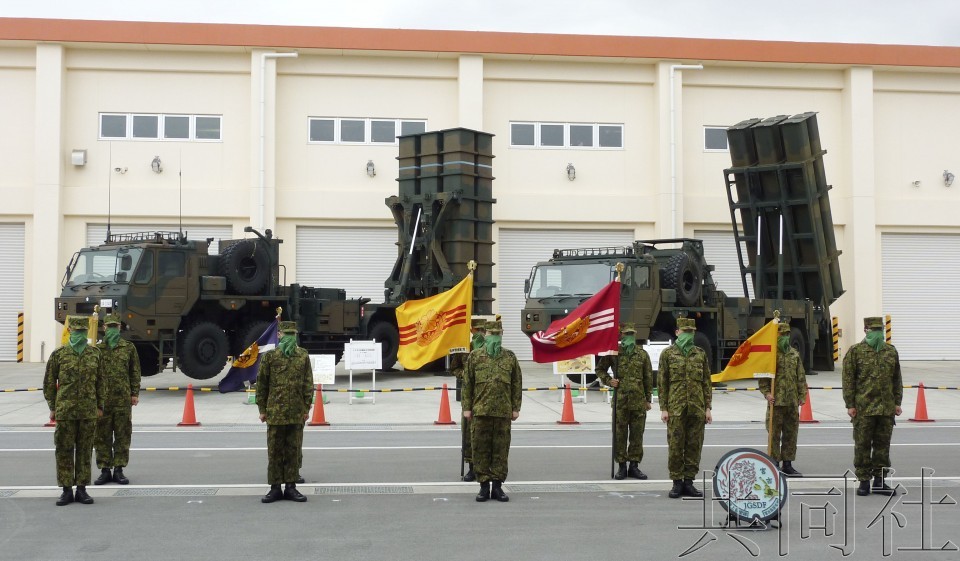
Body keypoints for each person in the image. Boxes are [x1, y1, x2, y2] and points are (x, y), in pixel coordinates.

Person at [43, 316, 104, 506]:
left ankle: (82, 489)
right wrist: (53, 407)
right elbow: (49, 383)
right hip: (65, 411)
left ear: (87, 332)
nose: (79, 334)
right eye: (76, 331)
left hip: (88, 411)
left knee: (85, 451)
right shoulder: (59, 354)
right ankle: (66, 490)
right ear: (69, 331)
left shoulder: (94, 354)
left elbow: (101, 382)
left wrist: (100, 406)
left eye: (82, 331)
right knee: (64, 450)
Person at [462, 320, 522, 503]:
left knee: (500, 451)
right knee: (480, 449)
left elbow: (517, 383)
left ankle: (497, 486)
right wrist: (466, 408)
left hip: (503, 412)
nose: (494, 337)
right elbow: (467, 383)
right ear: (485, 335)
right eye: (491, 334)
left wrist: (515, 407)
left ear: (502, 335)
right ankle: (483, 486)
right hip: (481, 411)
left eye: (498, 334)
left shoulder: (509, 357)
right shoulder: (474, 357)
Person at [842, 316, 903, 496]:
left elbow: (897, 379)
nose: (877, 333)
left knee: (882, 447)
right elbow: (848, 381)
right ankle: (864, 481)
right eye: (873, 330)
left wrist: (897, 402)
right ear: (866, 330)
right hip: (864, 409)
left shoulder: (890, 352)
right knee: (862, 446)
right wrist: (850, 404)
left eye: (879, 330)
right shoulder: (855, 352)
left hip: (885, 408)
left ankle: (879, 481)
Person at [257, 321, 314, 503]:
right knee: (275, 451)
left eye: (291, 334)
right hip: (275, 413)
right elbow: (262, 384)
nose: (288, 337)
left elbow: (308, 384)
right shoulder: (270, 357)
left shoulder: (302, 356)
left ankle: (291, 487)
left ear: (294, 336)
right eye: (286, 334)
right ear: (279, 335)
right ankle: (275, 488)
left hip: (296, 412)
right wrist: (262, 409)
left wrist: (306, 408)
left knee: (293, 451)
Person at [658, 317, 712, 499]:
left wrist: (708, 408)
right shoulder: (668, 354)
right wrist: (664, 408)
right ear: (677, 332)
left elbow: (706, 382)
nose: (688, 335)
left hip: (697, 408)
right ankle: (676, 482)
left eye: (691, 332)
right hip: (675, 408)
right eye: (685, 331)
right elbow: (662, 383)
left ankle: (689, 482)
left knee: (694, 446)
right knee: (675, 446)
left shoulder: (700, 354)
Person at [595, 323, 653, 480]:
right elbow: (599, 369)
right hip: (620, 402)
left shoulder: (642, 354)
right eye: (626, 334)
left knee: (637, 435)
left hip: (638, 402)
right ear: (621, 335)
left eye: (631, 334)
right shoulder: (614, 353)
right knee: (619, 435)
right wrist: (609, 380)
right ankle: (621, 466)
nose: (629, 337)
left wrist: (648, 399)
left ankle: (634, 466)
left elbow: (648, 377)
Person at [94, 314, 141, 486]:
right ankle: (105, 470)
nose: (112, 329)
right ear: (104, 328)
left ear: (120, 327)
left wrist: (134, 393)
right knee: (102, 436)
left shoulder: (128, 348)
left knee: (122, 435)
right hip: (103, 401)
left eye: (115, 326)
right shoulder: (97, 350)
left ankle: (119, 469)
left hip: (122, 400)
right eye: (110, 326)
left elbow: (135, 371)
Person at [759, 322, 807, 477]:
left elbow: (800, 376)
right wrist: (767, 393)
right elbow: (763, 379)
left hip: (792, 402)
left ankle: (788, 464)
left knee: (790, 434)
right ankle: (774, 464)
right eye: (782, 335)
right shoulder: (770, 355)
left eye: (787, 334)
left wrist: (802, 395)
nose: (785, 337)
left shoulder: (794, 354)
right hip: (776, 402)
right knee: (774, 435)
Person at [449, 317, 486, 482]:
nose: (480, 334)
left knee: (485, 433)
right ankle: (471, 467)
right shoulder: (464, 348)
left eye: (483, 331)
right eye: (478, 331)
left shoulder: (490, 349)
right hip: (469, 397)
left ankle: (485, 466)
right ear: (472, 331)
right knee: (469, 433)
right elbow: (454, 367)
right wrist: (464, 375)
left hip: (486, 396)